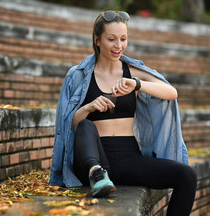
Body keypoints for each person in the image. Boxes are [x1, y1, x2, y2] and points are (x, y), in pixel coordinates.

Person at [49, 11, 197, 216]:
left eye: (123, 39)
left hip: (129, 157)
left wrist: (137, 84)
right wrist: (89, 107)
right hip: (92, 160)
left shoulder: (132, 71)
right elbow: (69, 124)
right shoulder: (78, 75)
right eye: (111, 39)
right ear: (97, 40)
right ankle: (97, 175)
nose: (118, 45)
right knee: (85, 124)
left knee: (187, 176)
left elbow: (171, 93)